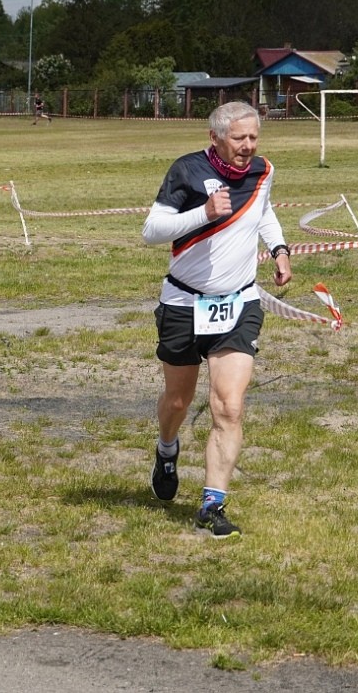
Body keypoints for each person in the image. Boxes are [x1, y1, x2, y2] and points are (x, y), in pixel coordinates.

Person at [141, 100, 292, 537]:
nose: (248, 147)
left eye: (253, 138)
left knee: (229, 406)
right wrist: (203, 214)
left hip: (238, 303)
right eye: (238, 138)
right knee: (178, 401)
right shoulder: (186, 171)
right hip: (184, 304)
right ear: (215, 138)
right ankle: (167, 448)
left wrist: (279, 250)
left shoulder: (263, 171)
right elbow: (151, 231)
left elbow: (264, 211)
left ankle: (213, 504)